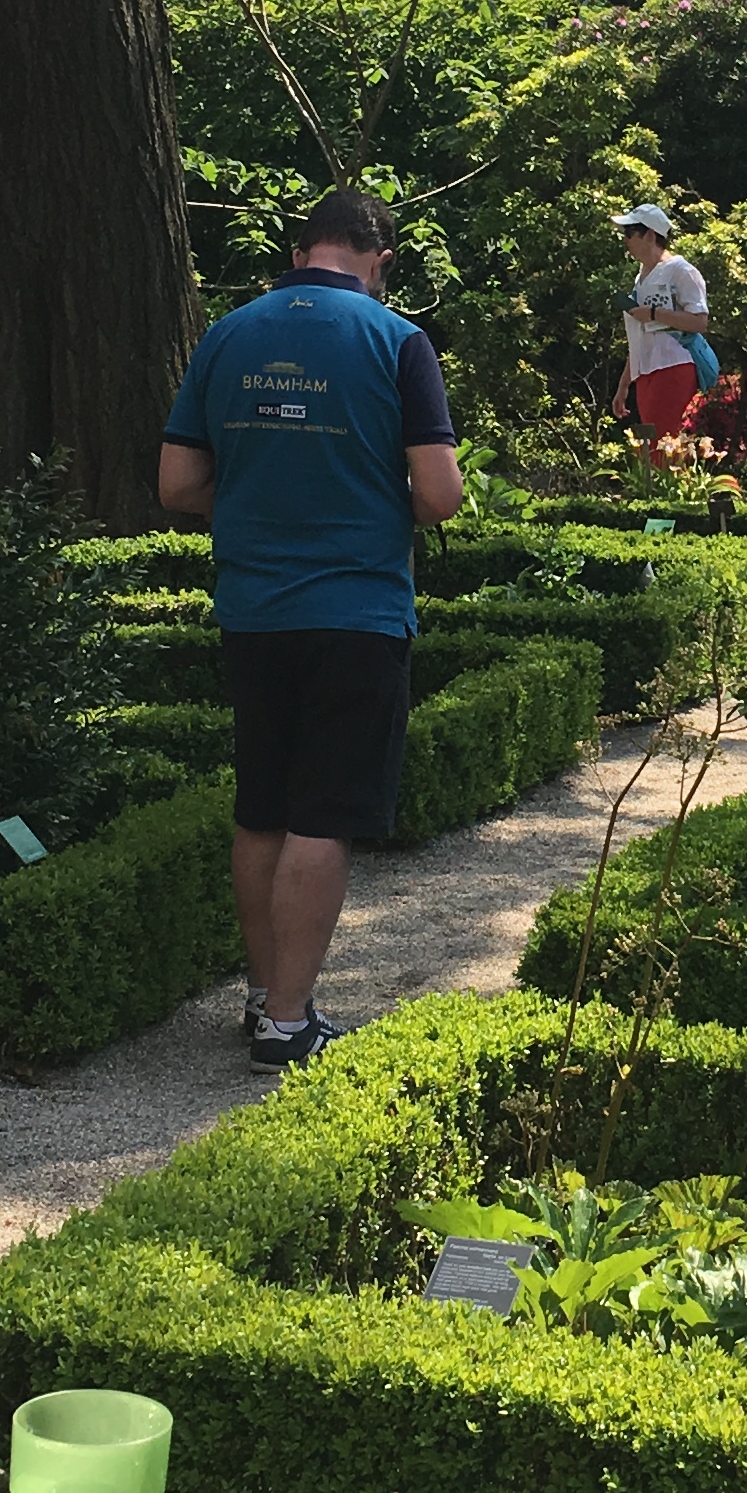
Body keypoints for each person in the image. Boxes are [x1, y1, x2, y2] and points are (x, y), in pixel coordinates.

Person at [158, 187, 465, 1069]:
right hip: (356, 610)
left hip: (253, 609)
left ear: (298, 253)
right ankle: (291, 1023)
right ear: (381, 262)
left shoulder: (228, 334)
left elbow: (177, 485)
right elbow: (440, 495)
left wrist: (259, 505)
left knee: (261, 809)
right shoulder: (397, 340)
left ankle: (263, 996)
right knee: (324, 815)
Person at [610, 204, 711, 445]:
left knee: (663, 444)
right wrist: (624, 384)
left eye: (630, 232)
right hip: (646, 371)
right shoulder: (641, 277)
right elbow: (640, 334)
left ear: (650, 235)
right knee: (653, 446)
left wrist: (655, 313)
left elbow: (699, 321)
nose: (625, 239)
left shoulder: (681, 271)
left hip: (673, 365)